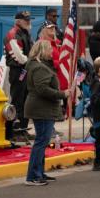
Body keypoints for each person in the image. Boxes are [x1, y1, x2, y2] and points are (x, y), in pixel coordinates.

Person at [23, 40, 67, 186]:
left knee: (42, 141)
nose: (51, 52)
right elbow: (42, 89)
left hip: (41, 107)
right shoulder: (39, 67)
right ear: (42, 51)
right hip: (41, 108)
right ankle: (33, 176)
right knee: (41, 142)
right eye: (49, 49)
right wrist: (62, 94)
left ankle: (39, 172)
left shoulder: (34, 65)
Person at [4, 10, 34, 138]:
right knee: (17, 101)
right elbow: (19, 58)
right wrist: (32, 62)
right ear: (18, 21)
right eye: (26, 20)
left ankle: (22, 129)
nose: (29, 22)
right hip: (18, 71)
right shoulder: (12, 34)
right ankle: (14, 131)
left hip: (26, 69)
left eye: (29, 19)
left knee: (26, 100)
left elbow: (31, 51)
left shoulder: (25, 33)